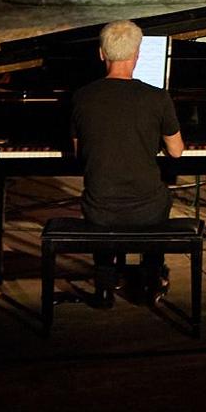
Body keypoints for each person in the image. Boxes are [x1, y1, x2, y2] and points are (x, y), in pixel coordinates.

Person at [71, 19, 184, 306]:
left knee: (100, 196)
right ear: (137, 55)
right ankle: (152, 277)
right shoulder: (157, 97)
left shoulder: (82, 98)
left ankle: (106, 282)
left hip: (100, 208)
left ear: (101, 54)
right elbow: (176, 152)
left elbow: (79, 153)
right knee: (159, 197)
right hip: (147, 209)